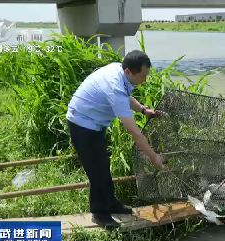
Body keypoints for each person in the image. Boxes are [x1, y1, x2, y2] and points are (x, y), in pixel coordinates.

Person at [66, 50, 164, 228]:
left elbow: (127, 97)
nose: (145, 79)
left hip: (94, 123)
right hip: (81, 123)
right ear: (128, 72)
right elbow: (135, 133)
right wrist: (154, 157)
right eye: (143, 75)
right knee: (97, 170)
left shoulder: (119, 71)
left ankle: (111, 204)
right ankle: (99, 213)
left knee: (103, 164)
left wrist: (143, 110)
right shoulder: (115, 86)